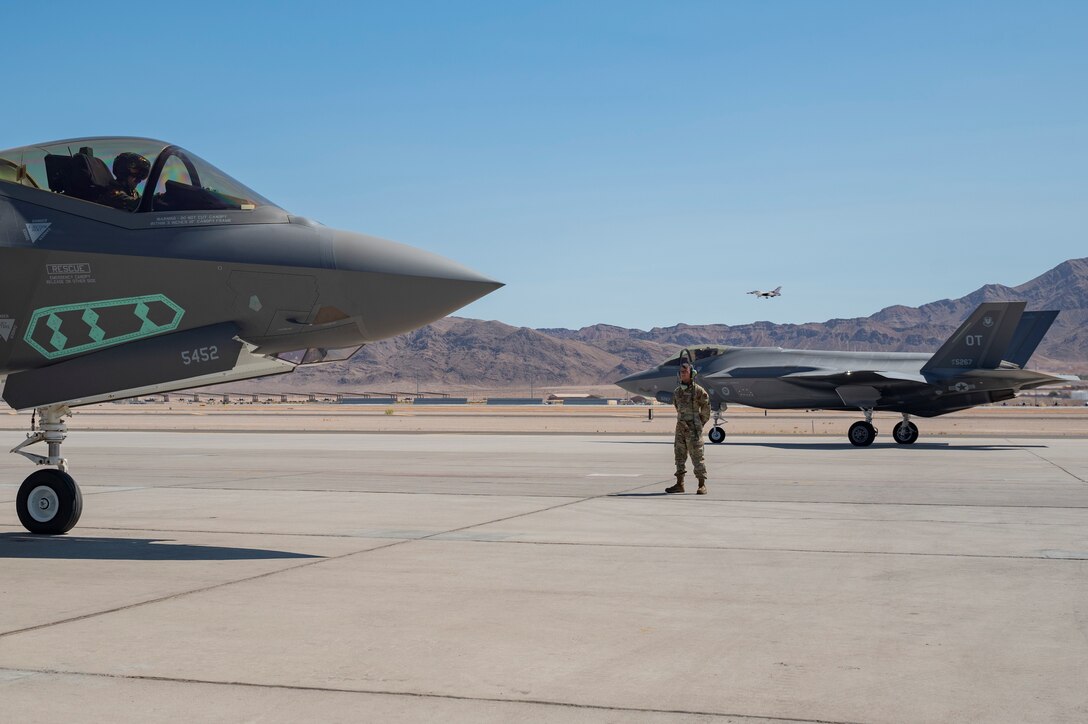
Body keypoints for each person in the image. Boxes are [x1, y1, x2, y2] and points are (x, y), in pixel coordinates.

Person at [666, 360, 711, 494]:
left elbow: (706, 406)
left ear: (691, 374)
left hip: (694, 430)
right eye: (681, 372)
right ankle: (680, 484)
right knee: (679, 457)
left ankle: (702, 485)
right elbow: (677, 407)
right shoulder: (677, 392)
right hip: (680, 429)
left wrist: (699, 422)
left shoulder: (697, 390)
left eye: (685, 372)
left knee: (697, 457)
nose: (683, 374)